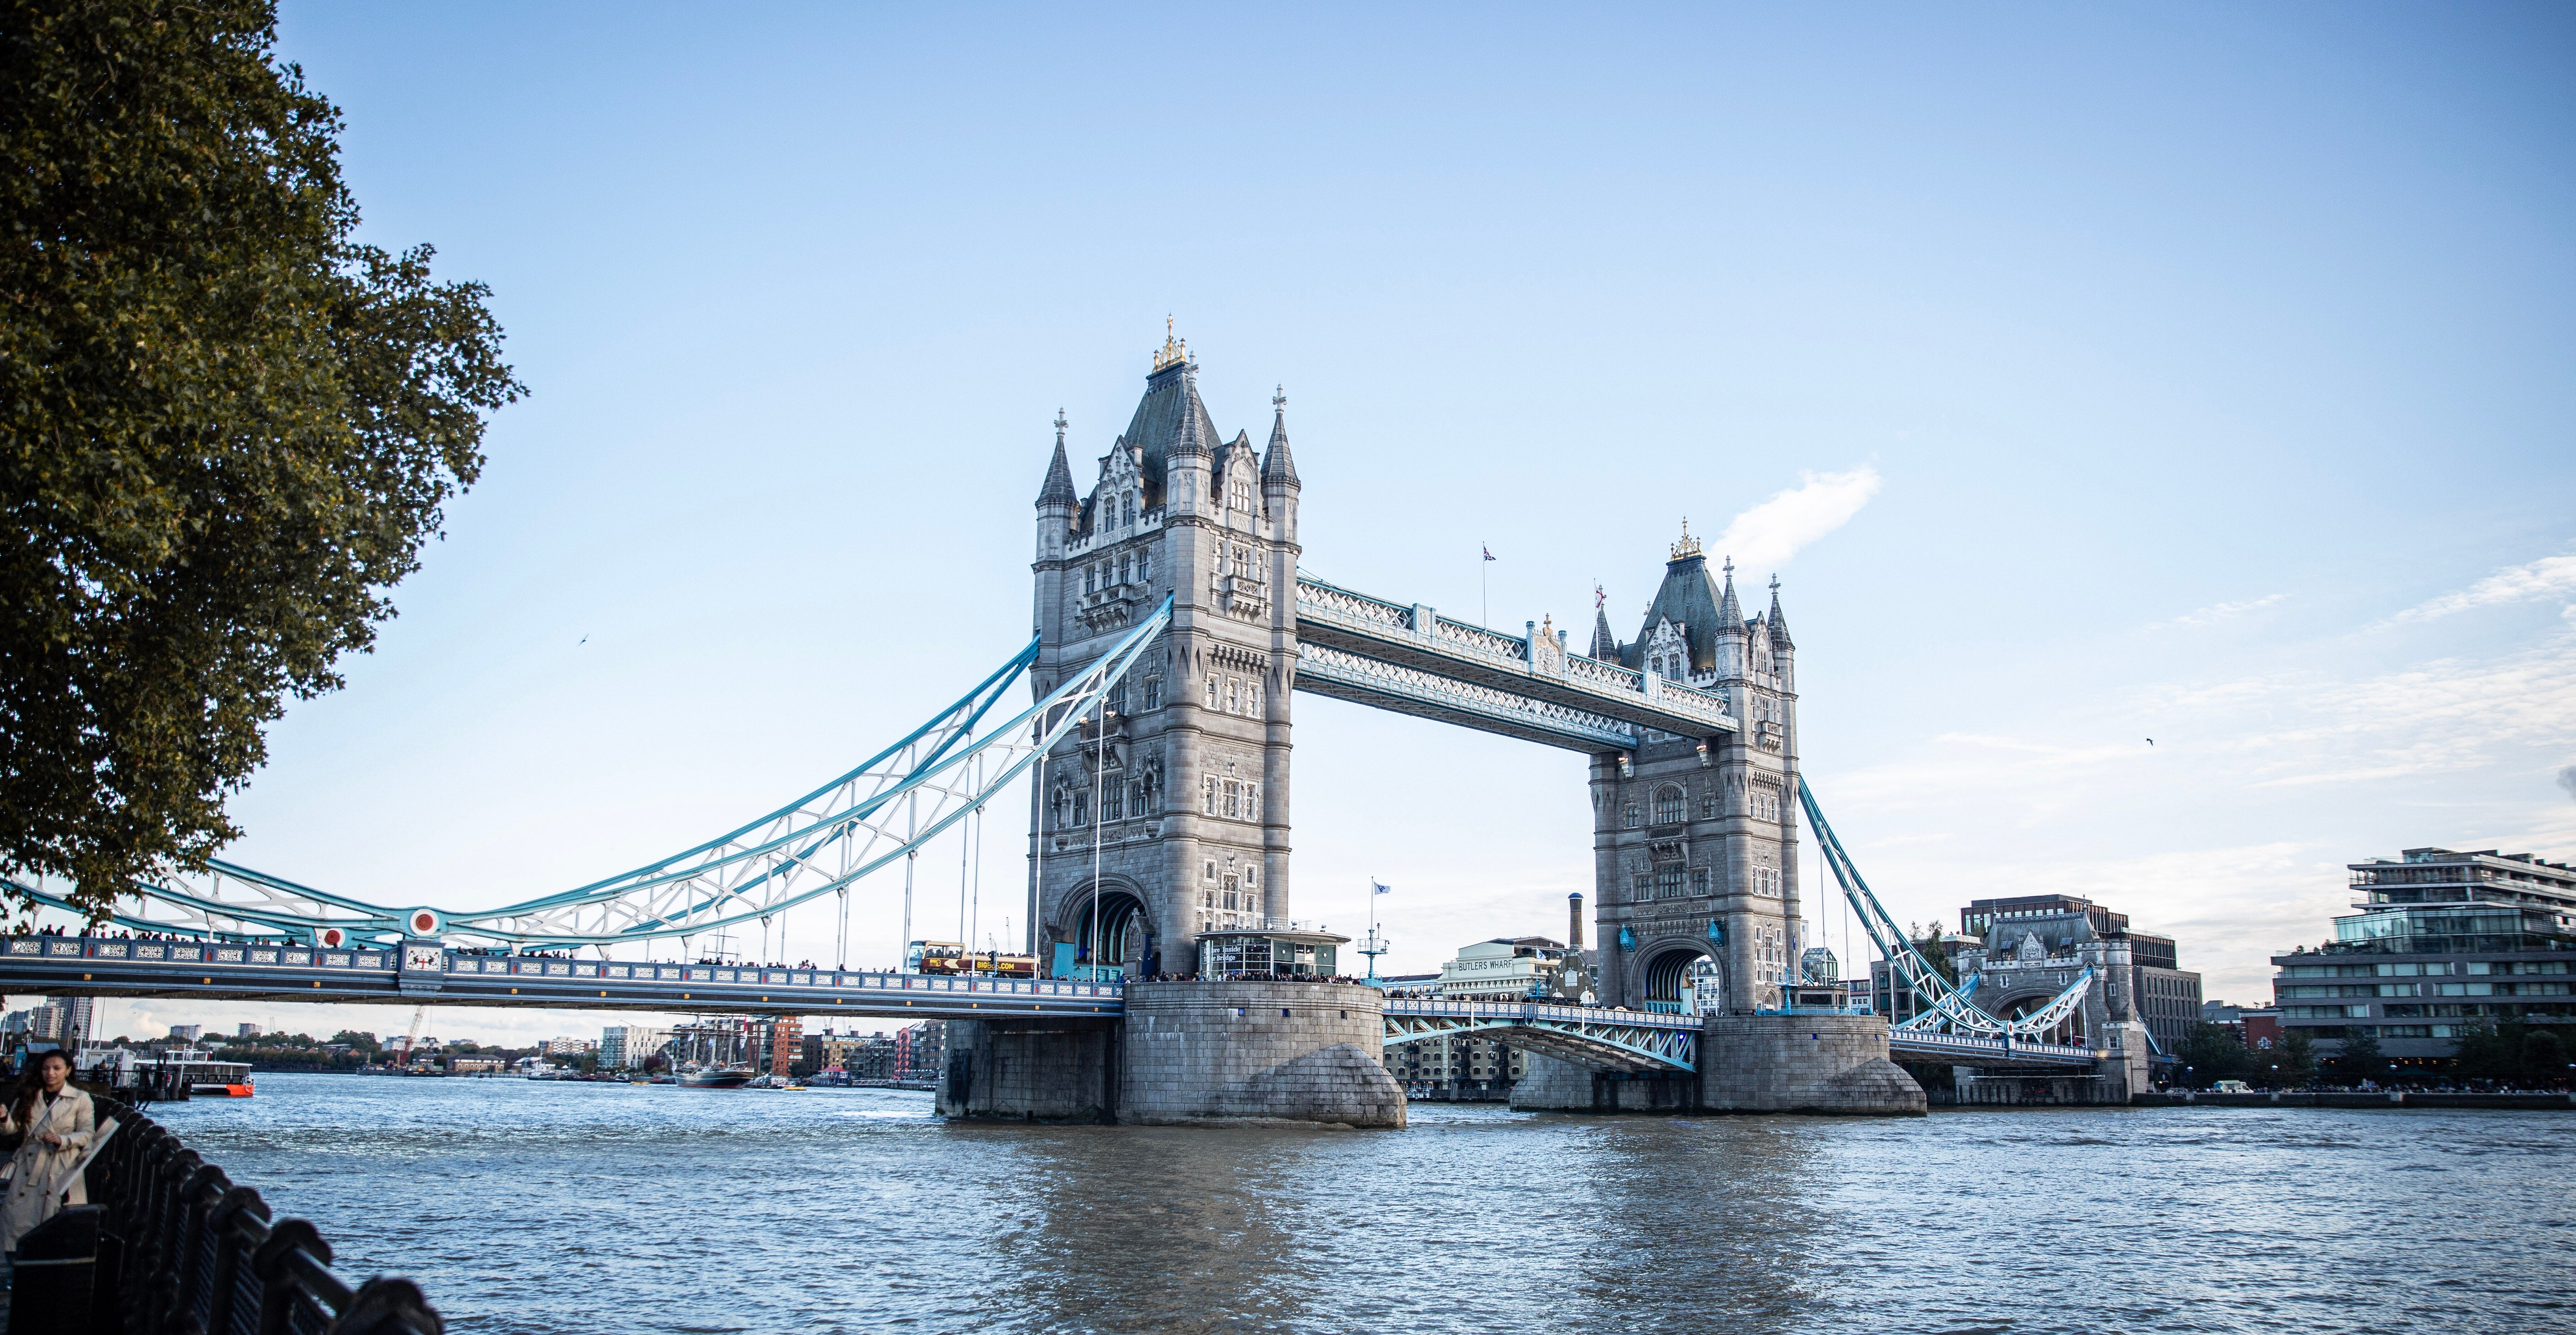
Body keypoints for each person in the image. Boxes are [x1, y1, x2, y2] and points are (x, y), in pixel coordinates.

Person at [0, 1049, 97, 1254]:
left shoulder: (80, 1098)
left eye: (56, 1068)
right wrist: (3, 1119)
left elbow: (88, 1133)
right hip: (30, 1165)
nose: (50, 1073)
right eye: (45, 1068)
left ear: (68, 1070)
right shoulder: (29, 1095)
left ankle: (46, 1266)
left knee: (53, 1218)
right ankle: (14, 1264)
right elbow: (13, 1130)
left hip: (62, 1164)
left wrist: (62, 1140)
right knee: (16, 1218)